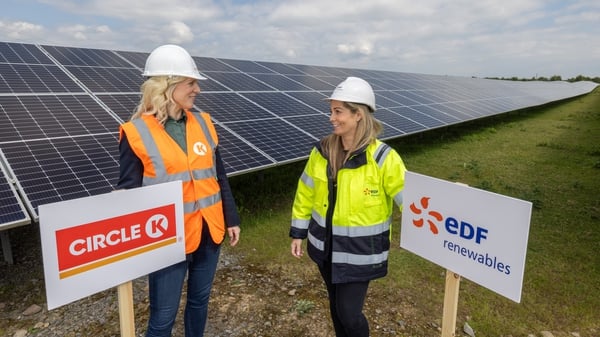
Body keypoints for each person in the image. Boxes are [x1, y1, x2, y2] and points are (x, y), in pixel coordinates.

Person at [116, 44, 241, 337]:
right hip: (166, 240)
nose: (197, 89)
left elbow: (219, 176)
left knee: (199, 301)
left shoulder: (204, 123)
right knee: (163, 316)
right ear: (166, 85)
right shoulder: (136, 132)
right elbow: (128, 191)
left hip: (210, 231)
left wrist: (231, 218)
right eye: (191, 83)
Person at [289, 77, 407, 337]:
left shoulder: (384, 159)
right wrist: (298, 232)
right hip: (325, 248)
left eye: (338, 111)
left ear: (358, 115)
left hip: (360, 254)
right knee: (336, 307)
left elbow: (412, 203)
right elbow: (305, 193)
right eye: (331, 110)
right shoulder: (322, 152)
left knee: (349, 314)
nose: (331, 117)